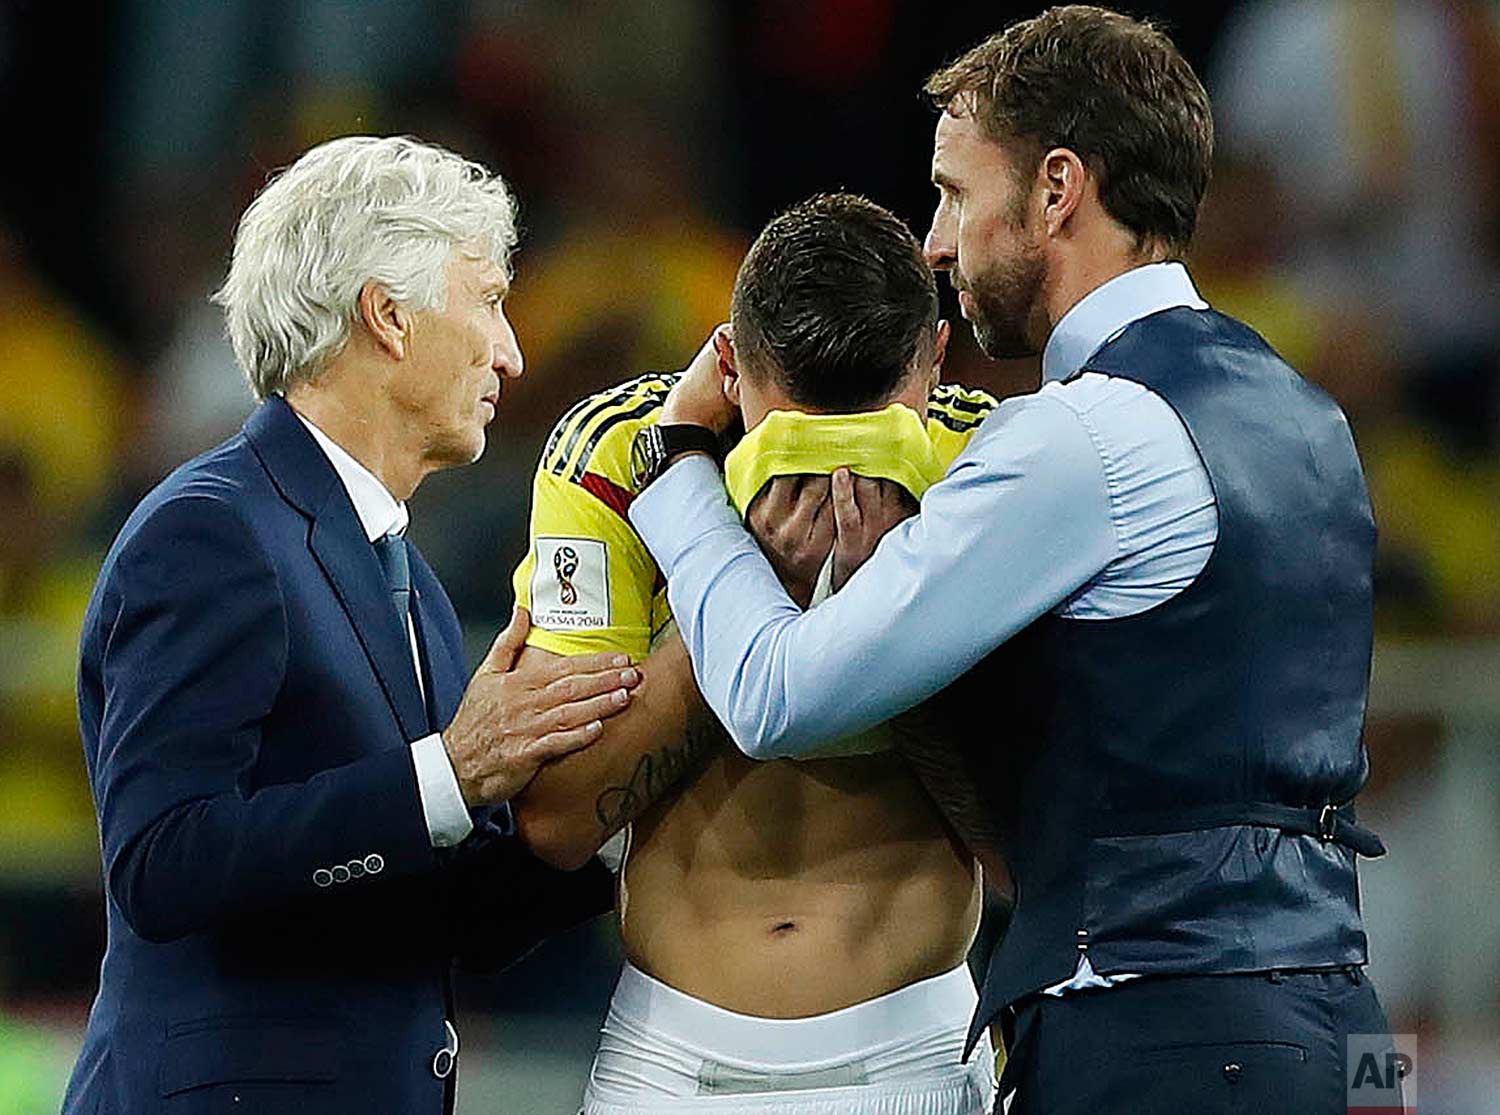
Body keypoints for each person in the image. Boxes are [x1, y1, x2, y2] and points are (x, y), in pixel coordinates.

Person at [624, 7, 1398, 1114]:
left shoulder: (1075, 434)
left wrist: (682, 469)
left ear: (1056, 190)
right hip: (1345, 1031)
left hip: (1161, 1033)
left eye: (953, 192)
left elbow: (774, 690)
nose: (935, 242)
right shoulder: (1307, 412)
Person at [62, 135, 641, 1115]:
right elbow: (162, 860)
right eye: (490, 299)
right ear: (388, 315)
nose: (513, 351)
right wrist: (448, 773)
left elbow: (447, 915)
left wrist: (621, 778)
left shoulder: (398, 567)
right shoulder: (212, 529)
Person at [508, 193, 1001, 1114]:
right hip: (670, 1059)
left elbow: (1025, 854)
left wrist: (901, 616)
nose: (832, 471)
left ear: (936, 360)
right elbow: (558, 820)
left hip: (916, 1051)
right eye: (797, 430)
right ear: (728, 364)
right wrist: (736, 592)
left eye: (870, 428)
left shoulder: (988, 459)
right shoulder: (616, 459)